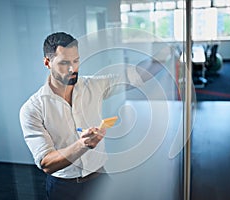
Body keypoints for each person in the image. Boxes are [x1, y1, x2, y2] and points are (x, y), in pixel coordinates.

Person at [19, 32, 168, 200]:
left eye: (76, 61)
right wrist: (82, 145)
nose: (72, 68)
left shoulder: (93, 85)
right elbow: (46, 163)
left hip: (100, 179)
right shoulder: (32, 109)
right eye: (64, 63)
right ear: (47, 62)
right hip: (63, 188)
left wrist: (162, 57)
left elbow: (135, 76)